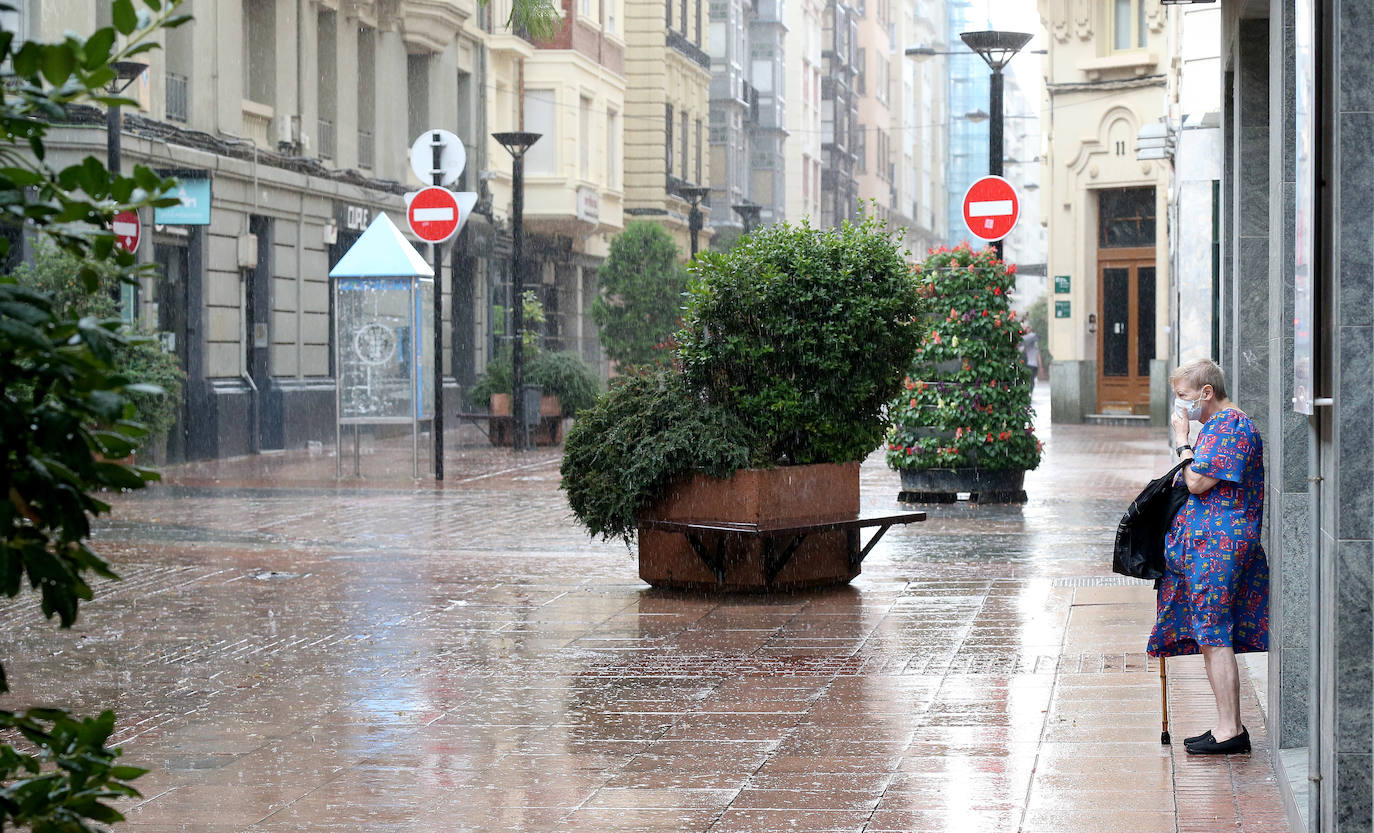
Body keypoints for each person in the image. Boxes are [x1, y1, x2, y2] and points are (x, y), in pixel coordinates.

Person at [1148, 358, 1269, 755]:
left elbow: (1197, 481)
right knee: (1211, 635)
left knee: (1216, 636)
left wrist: (1183, 439)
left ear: (1206, 393)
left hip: (1220, 549)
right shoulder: (1219, 426)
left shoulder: (1232, 426)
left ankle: (1230, 730)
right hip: (1210, 547)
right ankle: (1225, 725)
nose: (1179, 406)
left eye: (1183, 397)